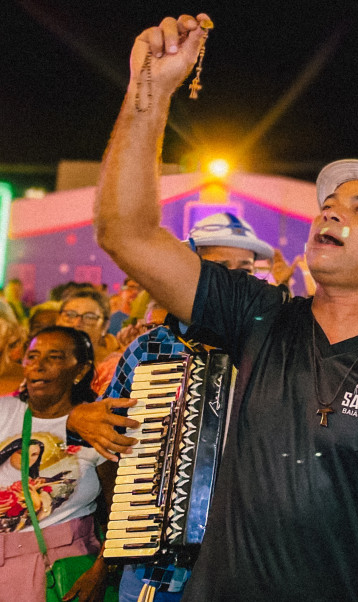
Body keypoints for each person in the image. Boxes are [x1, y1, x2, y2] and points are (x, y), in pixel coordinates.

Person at [91, 13, 358, 599]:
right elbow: (125, 231)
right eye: (329, 204)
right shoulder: (259, 317)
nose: (330, 212)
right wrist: (150, 89)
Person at [67, 212, 280, 602]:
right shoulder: (150, 349)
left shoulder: (278, 347)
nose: (234, 280)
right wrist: (80, 418)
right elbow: (110, 452)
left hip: (251, 566)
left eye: (245, 269)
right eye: (220, 267)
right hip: (157, 568)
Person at [0, 326, 116, 601]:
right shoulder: (4, 411)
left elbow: (119, 511)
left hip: (62, 565)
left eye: (53, 357)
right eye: (32, 356)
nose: (38, 366)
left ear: (80, 370)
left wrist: (102, 569)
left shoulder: (97, 425)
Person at [57, 289, 121, 394]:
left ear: (105, 326)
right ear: (58, 320)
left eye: (89, 317)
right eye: (70, 315)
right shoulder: (43, 360)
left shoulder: (114, 370)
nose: (77, 323)